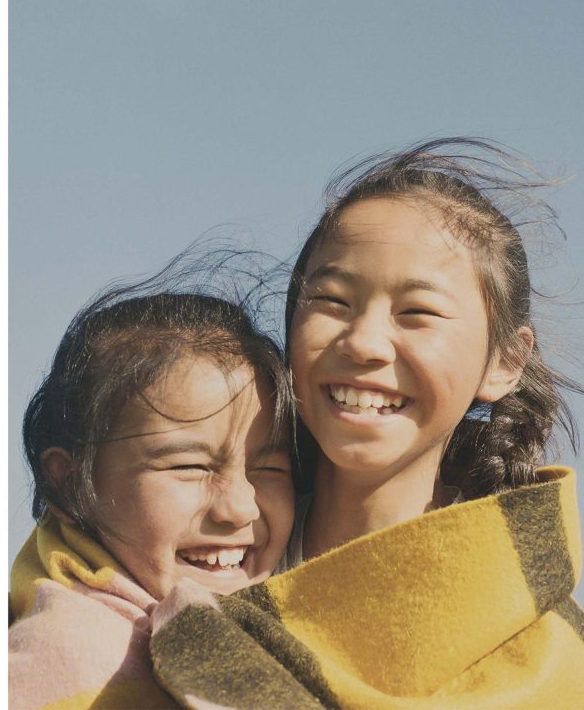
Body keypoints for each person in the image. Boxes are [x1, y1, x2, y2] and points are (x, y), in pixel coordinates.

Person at [150, 139, 584, 709]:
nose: (363, 343)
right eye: (332, 301)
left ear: (505, 361)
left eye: (417, 313)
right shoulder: (180, 544)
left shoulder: (550, 657)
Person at [9, 267, 296, 710]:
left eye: (271, 468)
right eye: (189, 465)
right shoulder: (64, 662)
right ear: (68, 486)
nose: (240, 508)